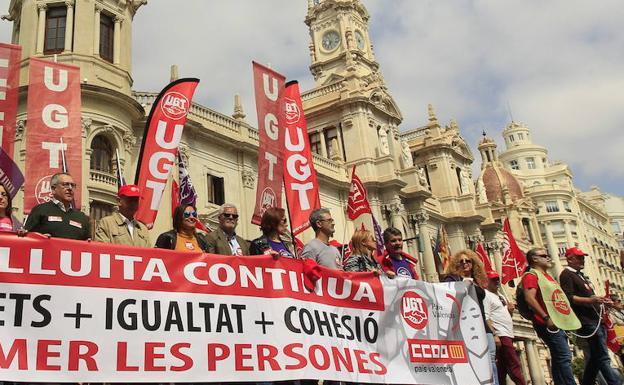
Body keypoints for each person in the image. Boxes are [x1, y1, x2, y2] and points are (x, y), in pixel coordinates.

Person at [559, 247, 622, 385]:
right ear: (570, 259)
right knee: (602, 356)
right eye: (579, 257)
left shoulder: (580, 275)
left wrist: (602, 301)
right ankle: (615, 382)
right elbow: (569, 298)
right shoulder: (566, 274)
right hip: (587, 321)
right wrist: (591, 300)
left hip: (596, 319)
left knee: (595, 357)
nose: (583, 260)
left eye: (583, 257)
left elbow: (588, 295)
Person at [520, 247, 578, 385]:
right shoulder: (531, 276)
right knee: (564, 355)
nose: (548, 257)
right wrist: (546, 318)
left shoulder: (547, 276)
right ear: (534, 259)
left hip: (559, 322)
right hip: (547, 323)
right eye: (544, 255)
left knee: (560, 356)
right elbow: (530, 298)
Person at [444, 249, 498, 385]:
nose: (464, 264)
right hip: (465, 326)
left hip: (483, 327)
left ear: (473, 263)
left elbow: (483, 308)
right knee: (471, 360)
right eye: (461, 261)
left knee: (491, 360)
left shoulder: (478, 282)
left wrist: (493, 331)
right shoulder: (453, 279)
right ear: (456, 264)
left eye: (467, 261)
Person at [484, 270, 527, 385]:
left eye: (497, 279)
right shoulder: (486, 295)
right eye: (493, 279)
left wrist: (510, 311)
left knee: (502, 367)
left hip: (508, 332)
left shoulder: (501, 295)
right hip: (501, 333)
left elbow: (505, 315)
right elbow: (486, 316)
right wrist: (494, 334)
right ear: (486, 281)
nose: (497, 281)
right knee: (514, 363)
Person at [24, 172, 90, 240]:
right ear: (53, 189)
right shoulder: (40, 210)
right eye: (65, 184)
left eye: (73, 185)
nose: (70, 188)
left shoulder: (82, 218)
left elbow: (88, 244)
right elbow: (27, 238)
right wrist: (40, 239)